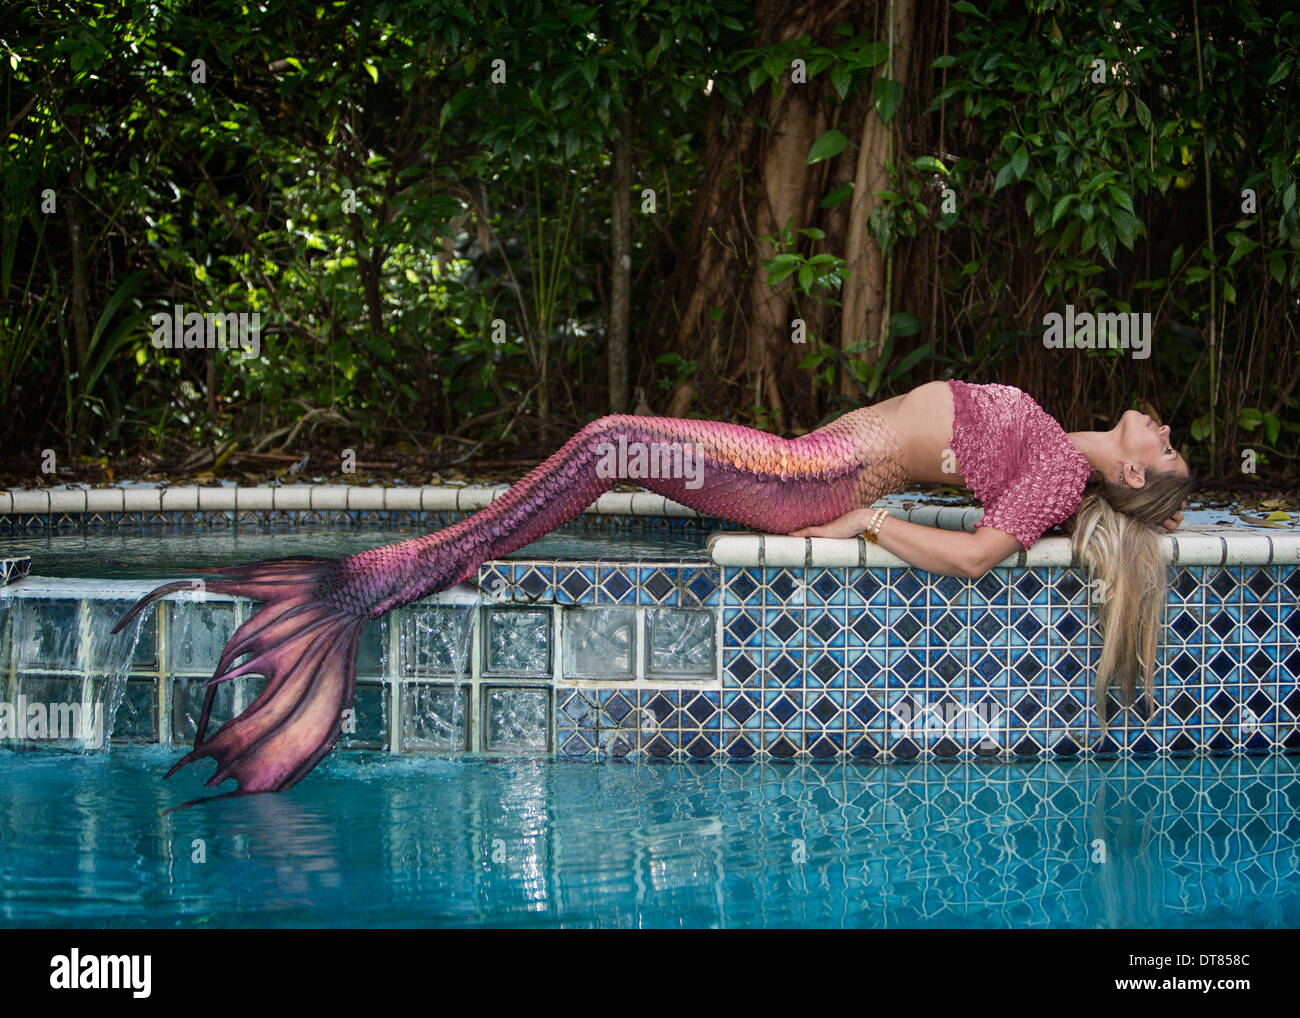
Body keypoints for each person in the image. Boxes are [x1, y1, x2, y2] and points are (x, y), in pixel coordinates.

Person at [114, 378, 1192, 797]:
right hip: (804, 457)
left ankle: (395, 576)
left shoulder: (1057, 463)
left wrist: (868, 521)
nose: (1162, 426)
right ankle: (408, 569)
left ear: (1133, 471)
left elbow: (970, 560)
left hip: (812, 478)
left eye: (1168, 447)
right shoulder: (1058, 445)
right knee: (616, 444)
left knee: (615, 439)